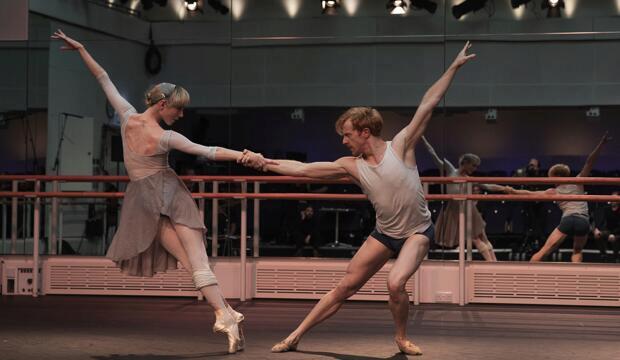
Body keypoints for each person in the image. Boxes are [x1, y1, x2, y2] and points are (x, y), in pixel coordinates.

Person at [246, 42, 476, 356]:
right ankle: (295, 336)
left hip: (417, 233)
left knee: (395, 283)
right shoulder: (351, 166)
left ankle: (401, 338)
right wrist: (265, 163)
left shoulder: (402, 146)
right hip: (384, 234)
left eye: (347, 134)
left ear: (365, 132)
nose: (343, 140)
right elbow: (303, 170)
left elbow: (429, 102)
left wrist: (453, 67)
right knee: (345, 287)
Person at [52, 29, 272, 353]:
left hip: (171, 197)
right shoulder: (134, 121)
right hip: (147, 202)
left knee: (197, 262)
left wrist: (243, 156)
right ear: (163, 103)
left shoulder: (149, 128)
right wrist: (83, 49)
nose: (181, 116)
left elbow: (208, 150)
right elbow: (103, 78)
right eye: (178, 109)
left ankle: (226, 316)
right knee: (191, 263)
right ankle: (227, 314)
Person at [508, 133, 612, 263]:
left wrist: (510, 190)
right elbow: (589, 162)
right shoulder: (578, 181)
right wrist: (601, 145)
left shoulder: (553, 191)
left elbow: (528, 194)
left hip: (568, 220)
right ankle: (576, 279)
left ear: (553, 177)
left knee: (544, 251)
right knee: (577, 251)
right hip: (583, 221)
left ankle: (527, 276)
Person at [421, 137, 512, 261]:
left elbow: (487, 186)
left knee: (479, 237)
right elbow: (433, 154)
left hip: (467, 210)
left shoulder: (469, 178)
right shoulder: (451, 171)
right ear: (466, 163)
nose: (475, 169)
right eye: (473, 165)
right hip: (456, 210)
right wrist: (422, 138)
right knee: (477, 238)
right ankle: (493, 264)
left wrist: (505, 189)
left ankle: (493, 264)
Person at [592, 190, 620, 263]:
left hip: (618, 232)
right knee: (598, 235)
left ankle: (616, 257)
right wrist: (597, 229)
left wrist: (613, 234)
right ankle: (603, 255)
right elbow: (600, 221)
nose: (613, 200)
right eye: (612, 198)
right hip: (609, 230)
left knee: (616, 239)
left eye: (615, 198)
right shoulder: (607, 209)